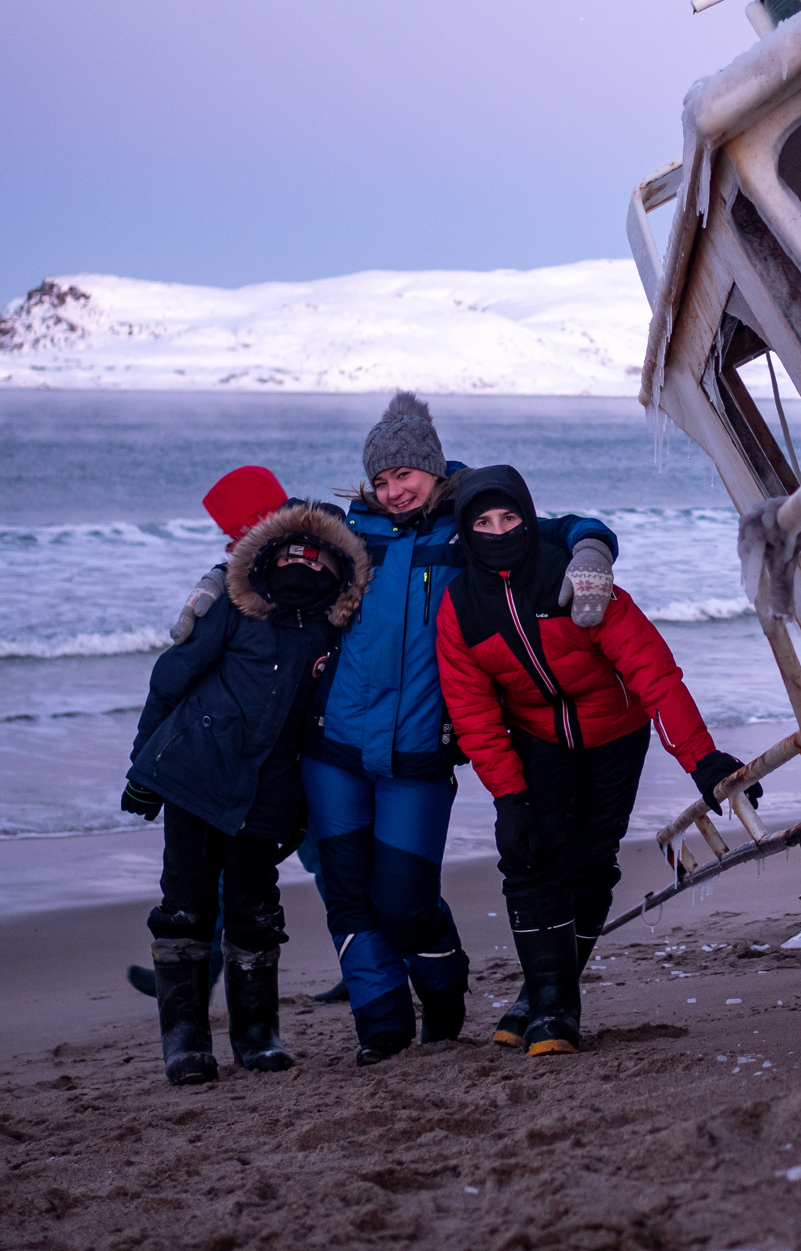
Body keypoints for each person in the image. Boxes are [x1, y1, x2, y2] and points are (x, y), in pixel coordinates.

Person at [298, 393, 619, 1065]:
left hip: (420, 753)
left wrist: (591, 551)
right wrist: (218, 583)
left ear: (433, 469)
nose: (392, 492)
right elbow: (266, 550)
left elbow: (558, 528)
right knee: (348, 895)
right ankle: (380, 1022)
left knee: (404, 900)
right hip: (334, 748)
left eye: (404, 477)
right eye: (381, 481)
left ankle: (443, 989)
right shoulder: (351, 536)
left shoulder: (466, 529)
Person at [435, 464, 759, 1057]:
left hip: (616, 734)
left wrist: (702, 759)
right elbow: (474, 713)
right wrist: (508, 798)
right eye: (483, 522)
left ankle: (549, 1002)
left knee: (590, 862)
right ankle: (547, 998)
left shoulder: (575, 577)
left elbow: (652, 672)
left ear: (528, 518)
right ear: (466, 529)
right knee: (530, 857)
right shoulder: (459, 608)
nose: (499, 530)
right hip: (538, 738)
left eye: (509, 517)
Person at [121, 487, 369, 1085]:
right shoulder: (235, 605)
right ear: (267, 552)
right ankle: (185, 1042)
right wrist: (142, 767)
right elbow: (171, 678)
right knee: (184, 906)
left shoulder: (341, 630)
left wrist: (308, 808)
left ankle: (257, 1036)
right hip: (192, 777)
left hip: (271, 793)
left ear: (342, 568)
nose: (305, 563)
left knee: (255, 912)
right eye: (293, 553)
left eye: (320, 557)